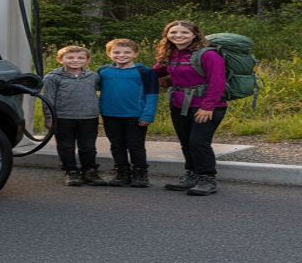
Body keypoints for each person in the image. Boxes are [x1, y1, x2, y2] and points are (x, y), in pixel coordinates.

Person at [153, 20, 226, 196]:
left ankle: (207, 178)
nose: (178, 36)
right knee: (186, 141)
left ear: (195, 34)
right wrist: (122, 71)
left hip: (206, 106)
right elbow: (154, 72)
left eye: (184, 32)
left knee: (198, 142)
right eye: (173, 32)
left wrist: (208, 107)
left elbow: (218, 82)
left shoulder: (208, 55)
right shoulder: (171, 54)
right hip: (179, 105)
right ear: (167, 35)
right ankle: (192, 175)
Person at [97, 39, 159, 187]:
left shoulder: (145, 72)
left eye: (127, 52)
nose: (121, 55)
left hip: (135, 115)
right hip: (110, 114)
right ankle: (122, 173)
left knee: (135, 145)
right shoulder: (103, 71)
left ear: (135, 54)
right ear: (109, 54)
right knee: (116, 145)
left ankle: (140, 173)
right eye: (116, 52)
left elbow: (152, 95)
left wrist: (148, 115)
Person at [42, 45, 105, 186]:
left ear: (87, 60)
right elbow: (48, 99)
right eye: (70, 57)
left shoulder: (93, 76)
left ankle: (89, 171)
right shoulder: (53, 77)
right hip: (63, 117)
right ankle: (71, 171)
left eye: (80, 58)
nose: (75, 60)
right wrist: (49, 117)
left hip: (89, 117)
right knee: (66, 146)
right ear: (60, 59)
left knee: (88, 146)